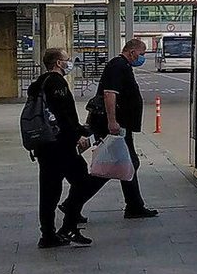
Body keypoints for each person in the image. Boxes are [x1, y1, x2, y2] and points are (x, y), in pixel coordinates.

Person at [29, 47, 106, 247]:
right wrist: (79, 134)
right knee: (83, 181)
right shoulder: (57, 82)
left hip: (44, 144)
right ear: (58, 63)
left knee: (49, 190)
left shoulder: (39, 83)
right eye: (66, 59)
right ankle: (69, 226)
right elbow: (64, 116)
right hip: (60, 145)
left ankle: (47, 235)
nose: (69, 62)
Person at [95, 37, 159, 219]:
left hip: (123, 126)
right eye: (141, 54)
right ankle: (73, 204)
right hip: (117, 126)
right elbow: (109, 94)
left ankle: (134, 205)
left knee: (125, 164)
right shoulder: (118, 66)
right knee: (114, 166)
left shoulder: (123, 66)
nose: (142, 58)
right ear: (132, 52)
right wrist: (112, 121)